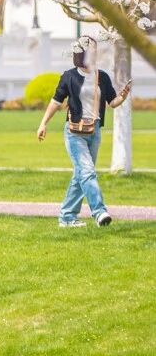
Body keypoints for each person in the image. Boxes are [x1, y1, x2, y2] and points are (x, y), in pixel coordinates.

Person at [36, 36, 131, 227]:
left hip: (94, 132)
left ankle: (67, 217)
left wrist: (123, 95)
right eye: (91, 50)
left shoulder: (102, 76)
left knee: (81, 175)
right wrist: (43, 123)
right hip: (74, 133)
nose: (95, 53)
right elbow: (56, 102)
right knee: (87, 172)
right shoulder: (69, 76)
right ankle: (100, 212)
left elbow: (112, 102)